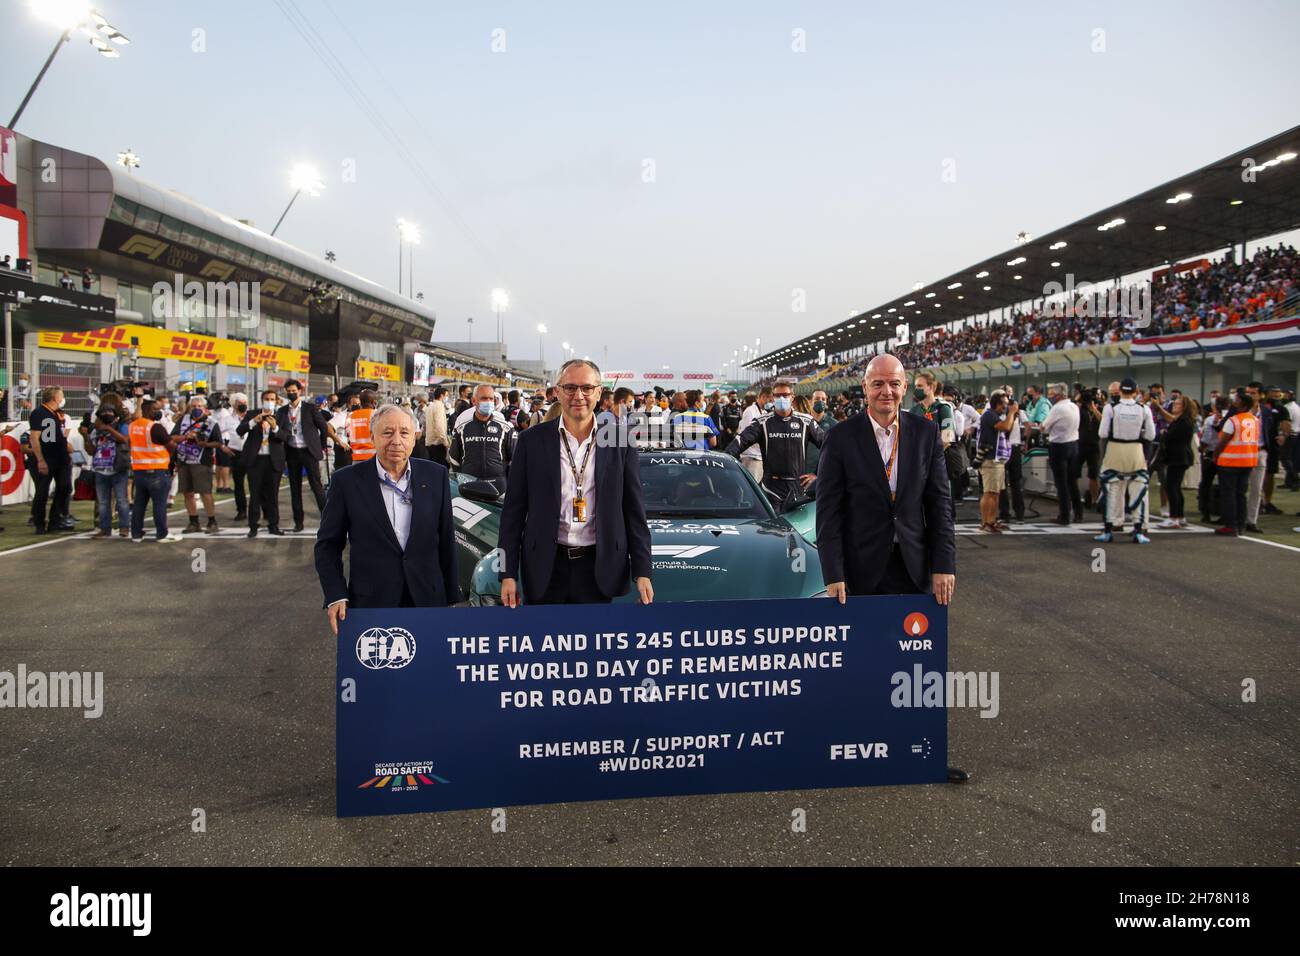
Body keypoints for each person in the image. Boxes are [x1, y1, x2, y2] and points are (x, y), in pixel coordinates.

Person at [497, 359, 653, 607]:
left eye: (587, 388)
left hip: (599, 568)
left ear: (600, 393)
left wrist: (643, 570)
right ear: (558, 391)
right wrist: (506, 573)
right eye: (570, 387)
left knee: (594, 643)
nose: (578, 395)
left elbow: (634, 512)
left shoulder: (620, 442)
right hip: (545, 567)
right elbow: (512, 514)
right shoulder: (531, 441)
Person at [815, 353, 955, 605]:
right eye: (878, 384)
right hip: (859, 572)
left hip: (914, 569)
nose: (886, 391)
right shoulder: (839, 437)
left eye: (894, 383)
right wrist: (833, 574)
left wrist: (944, 565)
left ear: (905, 387)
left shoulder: (926, 433)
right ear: (865, 388)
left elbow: (940, 505)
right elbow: (828, 513)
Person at [316, 404, 461, 632]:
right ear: (372, 437)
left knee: (430, 665)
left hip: (428, 599)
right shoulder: (346, 482)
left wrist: (452, 595)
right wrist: (335, 594)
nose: (396, 440)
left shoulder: (436, 475)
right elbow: (327, 545)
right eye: (387, 432)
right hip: (372, 602)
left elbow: (445, 539)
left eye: (404, 433)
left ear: (415, 438)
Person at [725, 381, 822, 503]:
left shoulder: (806, 421)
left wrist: (817, 474)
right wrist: (727, 467)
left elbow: (829, 446)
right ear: (773, 398)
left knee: (798, 522)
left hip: (799, 488)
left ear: (792, 397)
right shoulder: (762, 422)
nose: (781, 398)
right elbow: (739, 442)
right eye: (777, 395)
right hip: (771, 488)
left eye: (785, 395)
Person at [1095, 378, 1156, 544]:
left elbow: (1102, 433)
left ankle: (1109, 530)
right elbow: (1150, 435)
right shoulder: (1144, 409)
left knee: (1112, 490)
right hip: (1136, 450)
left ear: (1120, 391)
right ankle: (1138, 530)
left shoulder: (1111, 408)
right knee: (1139, 489)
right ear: (1136, 391)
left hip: (1115, 449)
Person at [277, 379, 337, 532]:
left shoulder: (310, 408)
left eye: (293, 390)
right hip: (292, 451)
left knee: (316, 486)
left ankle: (327, 519)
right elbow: (281, 431)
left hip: (309, 451)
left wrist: (322, 445)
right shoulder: (282, 411)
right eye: (288, 391)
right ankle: (298, 522)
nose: (291, 393)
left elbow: (323, 427)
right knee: (294, 488)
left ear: (300, 391)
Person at [128, 399, 184, 542]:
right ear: (146, 410)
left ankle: (136, 534)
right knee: (159, 505)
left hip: (139, 470)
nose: (158, 412)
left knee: (139, 504)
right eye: (155, 409)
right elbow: (171, 445)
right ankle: (162, 534)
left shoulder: (132, 426)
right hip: (157, 470)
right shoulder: (155, 427)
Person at [171, 394, 224, 534]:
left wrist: (204, 443)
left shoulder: (211, 423)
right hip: (183, 460)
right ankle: (193, 521)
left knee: (205, 492)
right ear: (189, 408)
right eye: (194, 406)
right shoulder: (183, 420)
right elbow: (173, 437)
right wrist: (185, 437)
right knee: (187, 493)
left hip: (202, 461)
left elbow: (218, 442)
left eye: (199, 406)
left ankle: (212, 521)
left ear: (205, 408)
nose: (196, 409)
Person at [448, 384, 516, 491]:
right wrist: (463, 477)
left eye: (491, 398)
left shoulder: (505, 428)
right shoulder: (462, 428)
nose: (488, 402)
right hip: (469, 484)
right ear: (474, 401)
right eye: (484, 398)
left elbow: (514, 458)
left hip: (498, 485)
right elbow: (454, 457)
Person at [238, 390, 287, 537]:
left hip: (273, 460)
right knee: (255, 494)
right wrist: (254, 421)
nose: (269, 401)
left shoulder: (281, 415)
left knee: (273, 494)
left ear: (276, 401)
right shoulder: (252, 414)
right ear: (262, 400)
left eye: (272, 399)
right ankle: (253, 526)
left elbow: (285, 436)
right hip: (256, 460)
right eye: (266, 398)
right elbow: (239, 430)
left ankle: (273, 524)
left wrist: (275, 428)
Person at [28, 386, 74, 534]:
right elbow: (34, 437)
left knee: (65, 487)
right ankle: (39, 522)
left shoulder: (57, 414)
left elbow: (58, 434)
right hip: (47, 457)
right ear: (55, 398)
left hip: (61, 457)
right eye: (61, 396)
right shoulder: (39, 413)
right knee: (42, 491)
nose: (62, 399)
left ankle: (55, 519)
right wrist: (40, 459)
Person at [1213, 391, 1260, 537]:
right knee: (1241, 494)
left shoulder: (1233, 420)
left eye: (1237, 400)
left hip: (1230, 462)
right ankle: (1240, 524)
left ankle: (1230, 525)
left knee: (1229, 494)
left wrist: (1215, 455)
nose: (1234, 401)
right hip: (1248, 461)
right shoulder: (1254, 420)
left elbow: (1224, 440)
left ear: (1243, 405)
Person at [88, 399, 131, 538]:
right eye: (104, 412)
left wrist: (109, 429)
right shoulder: (95, 429)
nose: (107, 414)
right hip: (101, 468)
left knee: (122, 500)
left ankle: (124, 527)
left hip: (118, 468)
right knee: (103, 502)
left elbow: (124, 439)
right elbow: (90, 449)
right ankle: (104, 528)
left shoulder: (122, 425)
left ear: (115, 414)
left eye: (110, 412)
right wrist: (85, 436)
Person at [1041, 382, 1082, 524]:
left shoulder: (1057, 409)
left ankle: (1064, 515)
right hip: (1074, 444)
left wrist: (1042, 428)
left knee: (1061, 483)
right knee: (1072, 482)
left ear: (1058, 395)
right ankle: (1078, 512)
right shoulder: (1074, 407)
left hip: (1059, 446)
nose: (1049, 397)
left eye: (1051, 395)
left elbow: (1044, 427)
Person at [976, 391, 1017, 533]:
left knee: (996, 493)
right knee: (989, 492)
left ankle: (992, 520)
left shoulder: (995, 416)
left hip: (998, 459)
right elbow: (1005, 427)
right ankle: (985, 522)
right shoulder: (989, 415)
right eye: (1004, 404)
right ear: (998, 404)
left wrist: (1012, 415)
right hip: (990, 460)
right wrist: (1012, 413)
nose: (1006, 407)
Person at [1157, 395, 1197, 529]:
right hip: (1180, 457)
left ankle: (1174, 518)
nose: (1174, 405)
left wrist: (1164, 433)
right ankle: (1180, 516)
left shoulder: (1183, 421)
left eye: (1178, 404)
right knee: (1175, 487)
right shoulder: (1183, 420)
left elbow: (1170, 437)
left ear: (1184, 407)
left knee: (1171, 487)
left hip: (1178, 457)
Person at [343, 389, 378, 464]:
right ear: (374, 402)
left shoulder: (350, 416)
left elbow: (348, 434)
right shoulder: (377, 415)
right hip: (374, 458)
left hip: (356, 459)